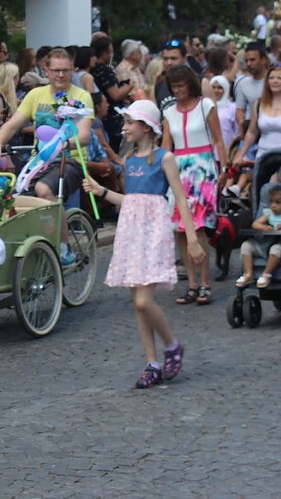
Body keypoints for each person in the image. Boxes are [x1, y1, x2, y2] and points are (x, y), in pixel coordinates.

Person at [82, 100, 206, 389]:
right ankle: (152, 363)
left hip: (153, 234)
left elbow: (180, 199)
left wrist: (191, 241)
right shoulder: (131, 161)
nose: (123, 128)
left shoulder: (165, 158)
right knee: (138, 306)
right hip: (131, 233)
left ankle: (172, 345)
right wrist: (101, 191)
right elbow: (131, 201)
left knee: (143, 300)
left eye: (129, 123)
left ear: (147, 127)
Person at [0, 48, 94, 264]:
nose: (61, 75)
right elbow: (12, 125)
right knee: (14, 198)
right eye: (56, 70)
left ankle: (64, 248)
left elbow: (84, 136)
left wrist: (62, 142)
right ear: (46, 71)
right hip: (39, 162)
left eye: (66, 70)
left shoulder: (82, 96)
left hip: (70, 159)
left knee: (43, 189)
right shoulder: (35, 95)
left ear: (73, 70)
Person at [160, 65, 227, 305]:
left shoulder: (206, 105)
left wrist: (225, 168)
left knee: (197, 228)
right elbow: (166, 147)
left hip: (203, 168)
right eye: (173, 87)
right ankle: (191, 284)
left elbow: (219, 140)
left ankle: (205, 283)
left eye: (180, 85)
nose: (177, 90)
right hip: (178, 169)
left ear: (190, 84)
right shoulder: (169, 113)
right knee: (179, 229)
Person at [234, 63, 281, 164]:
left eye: (279, 78)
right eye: (271, 78)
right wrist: (241, 155)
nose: (275, 81)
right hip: (264, 157)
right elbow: (251, 132)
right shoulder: (259, 104)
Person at [236, 184, 281, 288]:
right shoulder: (269, 214)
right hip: (265, 244)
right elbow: (255, 224)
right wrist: (264, 227)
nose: (273, 205)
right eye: (271, 202)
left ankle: (266, 274)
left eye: (277, 202)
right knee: (246, 245)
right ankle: (248, 274)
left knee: (275, 249)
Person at [91, 36, 134, 151]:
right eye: (110, 51)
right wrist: (129, 87)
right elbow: (116, 95)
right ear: (105, 53)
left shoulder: (92, 69)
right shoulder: (105, 70)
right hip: (111, 118)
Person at [234, 42, 269, 134]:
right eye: (246, 60)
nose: (249, 64)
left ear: (263, 60)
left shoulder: (275, 81)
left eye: (252, 60)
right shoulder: (243, 84)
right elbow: (240, 109)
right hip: (251, 131)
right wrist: (242, 127)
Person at [155, 39, 187, 109]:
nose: (169, 63)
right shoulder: (159, 85)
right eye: (165, 59)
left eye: (173, 58)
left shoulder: (199, 82)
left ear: (184, 59)